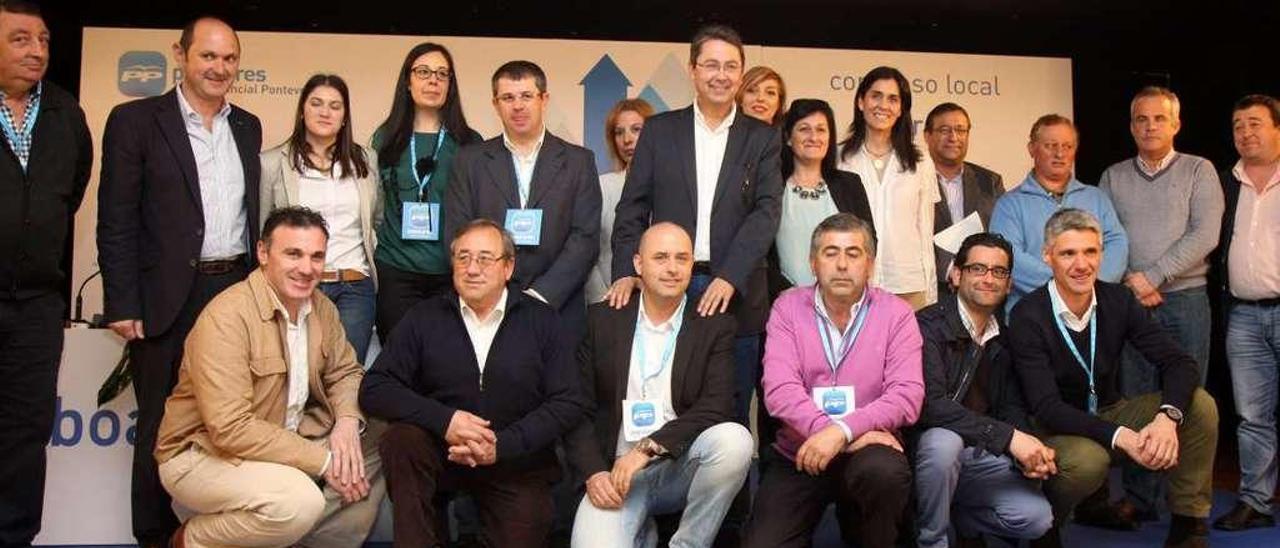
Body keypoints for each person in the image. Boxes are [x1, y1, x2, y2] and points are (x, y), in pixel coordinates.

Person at [97, 17, 262, 546]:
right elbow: (116, 218)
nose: (220, 68)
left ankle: (217, 534)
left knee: (235, 422)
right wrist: (122, 301)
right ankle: (154, 536)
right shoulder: (136, 120)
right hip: (167, 298)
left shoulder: (248, 125)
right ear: (180, 55)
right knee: (161, 426)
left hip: (235, 290)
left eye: (229, 58)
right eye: (208, 56)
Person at [154, 206, 384, 548]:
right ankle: (193, 540)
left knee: (383, 433)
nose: (307, 269)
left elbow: (345, 372)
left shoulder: (321, 307)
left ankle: (312, 541)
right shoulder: (227, 317)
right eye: (293, 254)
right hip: (203, 455)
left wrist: (348, 422)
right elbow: (230, 428)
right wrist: (324, 462)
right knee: (297, 502)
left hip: (283, 436)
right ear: (263, 253)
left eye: (316, 256)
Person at [360, 219, 588, 547]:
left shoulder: (542, 320)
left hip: (514, 460)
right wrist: (445, 420)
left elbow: (568, 402)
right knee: (401, 440)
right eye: (463, 258)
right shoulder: (424, 317)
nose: (472, 268)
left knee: (525, 528)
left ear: (508, 267)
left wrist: (503, 444)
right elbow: (375, 387)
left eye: (484, 258)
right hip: (442, 451)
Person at [1007, 208, 1217, 548]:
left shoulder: (1118, 300)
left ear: (1101, 254)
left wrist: (1167, 418)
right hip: (1054, 426)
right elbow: (1046, 406)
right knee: (1090, 460)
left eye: (1090, 252)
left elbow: (1179, 363)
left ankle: (1188, 524)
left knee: (1199, 405)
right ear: (1048, 257)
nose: (1082, 264)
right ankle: (1045, 527)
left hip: (1107, 412)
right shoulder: (1028, 314)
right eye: (1068, 253)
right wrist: (1123, 437)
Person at [609, 23, 783, 431]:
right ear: (692, 71)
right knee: (666, 405)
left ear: (741, 74)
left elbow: (766, 212)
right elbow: (632, 208)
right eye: (711, 65)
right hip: (667, 287)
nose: (720, 75)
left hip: (734, 296)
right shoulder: (660, 130)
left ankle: (732, 498)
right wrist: (625, 273)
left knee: (732, 416)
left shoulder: (762, 138)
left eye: (730, 66)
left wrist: (730, 277)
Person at [744, 212, 924, 548]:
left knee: (885, 476)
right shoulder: (786, 308)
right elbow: (780, 391)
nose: (842, 264)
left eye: (853, 253)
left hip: (869, 455)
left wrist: (841, 433)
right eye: (830, 253)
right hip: (800, 451)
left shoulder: (897, 314)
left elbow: (906, 396)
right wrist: (834, 433)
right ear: (813, 263)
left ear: (869, 263)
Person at [567, 222, 753, 547]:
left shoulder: (714, 326)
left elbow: (716, 406)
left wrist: (647, 448)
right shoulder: (601, 320)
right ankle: (642, 531)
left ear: (692, 265)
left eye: (682, 259)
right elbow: (575, 406)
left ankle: (687, 543)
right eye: (660, 257)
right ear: (638, 264)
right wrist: (594, 472)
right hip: (617, 475)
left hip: (680, 466)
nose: (672, 268)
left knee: (735, 440)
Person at [1099, 86, 1223, 523]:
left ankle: (1186, 503)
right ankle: (1140, 497)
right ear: (1131, 125)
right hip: (1131, 302)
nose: (1149, 126)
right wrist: (1135, 283)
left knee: (1187, 399)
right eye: (1141, 119)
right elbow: (1107, 236)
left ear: (1176, 124)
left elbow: (1205, 234)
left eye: (1159, 119)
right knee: (1137, 397)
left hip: (1185, 299)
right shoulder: (1114, 176)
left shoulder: (1199, 170)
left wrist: (1154, 275)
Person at [0, 2, 92, 545]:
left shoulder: (64, 112)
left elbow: (70, 191)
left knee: (25, 434)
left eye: (43, 40)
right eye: (19, 39)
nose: (36, 51)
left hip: (36, 304)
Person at [911, 233, 1054, 548]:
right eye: (978, 269)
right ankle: (931, 540)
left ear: (1008, 282)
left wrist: (1025, 452)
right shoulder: (927, 325)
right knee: (943, 442)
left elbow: (1013, 407)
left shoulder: (1004, 335)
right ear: (957, 274)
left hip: (978, 453)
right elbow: (930, 406)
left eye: (998, 272)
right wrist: (1008, 438)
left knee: (1036, 518)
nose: (989, 278)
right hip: (925, 454)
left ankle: (960, 517)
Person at [446, 60, 601, 345]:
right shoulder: (470, 161)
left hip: (559, 308)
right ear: (496, 104)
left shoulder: (579, 162)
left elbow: (585, 238)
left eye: (526, 96)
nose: (517, 106)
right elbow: (458, 233)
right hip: (487, 308)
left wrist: (542, 296)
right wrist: (496, 294)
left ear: (544, 99)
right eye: (508, 97)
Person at [261, 74, 381, 364]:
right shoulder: (272, 162)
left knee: (346, 375)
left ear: (345, 116)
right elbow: (263, 227)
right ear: (302, 110)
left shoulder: (366, 160)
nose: (325, 112)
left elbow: (375, 220)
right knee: (296, 373)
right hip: (297, 284)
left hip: (355, 287)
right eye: (316, 103)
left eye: (335, 106)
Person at [371, 42, 481, 343]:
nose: (433, 80)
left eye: (442, 74)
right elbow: (376, 209)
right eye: (423, 72)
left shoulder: (470, 143)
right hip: (396, 271)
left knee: (446, 365)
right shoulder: (385, 139)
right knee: (400, 363)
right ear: (407, 82)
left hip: (452, 274)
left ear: (450, 85)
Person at [1212, 94, 1280, 532]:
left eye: (1254, 123)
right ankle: (1256, 501)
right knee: (1253, 416)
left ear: (1277, 128)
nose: (1245, 132)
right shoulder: (1224, 181)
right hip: (1242, 317)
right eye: (1238, 125)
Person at [990, 114, 1128, 311]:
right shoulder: (1009, 204)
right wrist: (1069, 286)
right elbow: (1008, 255)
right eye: (1051, 145)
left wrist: (1091, 287)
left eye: (1067, 146)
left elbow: (1118, 244)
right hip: (1033, 313)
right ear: (1032, 149)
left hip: (1094, 312)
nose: (1060, 154)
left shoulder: (1096, 197)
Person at [837, 66, 939, 310]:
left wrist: (930, 290)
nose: (883, 105)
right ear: (861, 102)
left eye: (893, 99)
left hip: (908, 285)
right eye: (876, 96)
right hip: (852, 282)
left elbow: (925, 230)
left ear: (901, 108)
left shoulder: (921, 161)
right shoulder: (838, 157)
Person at [769, 98, 873, 296]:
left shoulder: (849, 184)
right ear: (789, 138)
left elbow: (869, 241)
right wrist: (785, 291)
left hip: (843, 300)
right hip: (788, 301)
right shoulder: (772, 186)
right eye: (804, 129)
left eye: (821, 129)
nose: (813, 137)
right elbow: (762, 253)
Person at [923, 103, 1004, 296]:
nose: (954, 137)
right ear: (927, 136)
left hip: (983, 287)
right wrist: (950, 269)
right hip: (934, 290)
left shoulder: (990, 181)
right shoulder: (913, 181)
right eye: (944, 130)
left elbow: (1001, 233)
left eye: (960, 130)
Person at [586, 98, 653, 304]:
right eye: (619, 132)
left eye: (636, 129)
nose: (627, 139)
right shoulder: (601, 186)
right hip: (609, 303)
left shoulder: (673, 189)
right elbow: (587, 252)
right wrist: (603, 301)